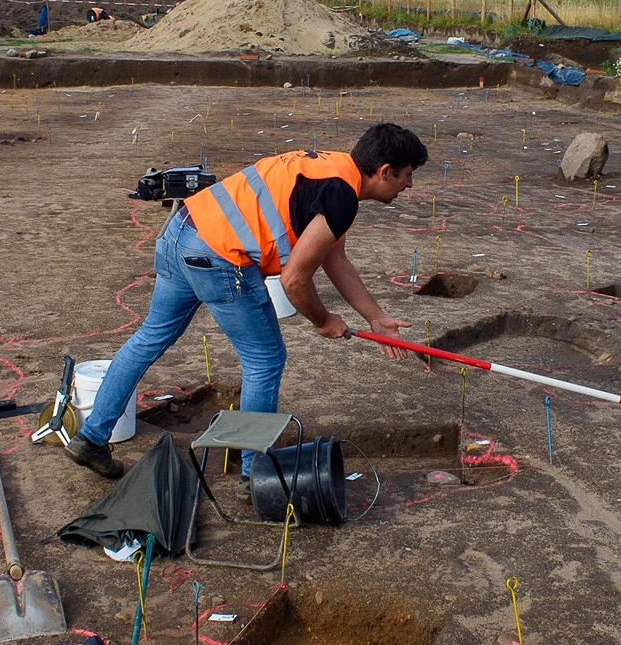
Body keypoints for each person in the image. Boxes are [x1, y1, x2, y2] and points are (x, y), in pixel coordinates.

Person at [65, 122, 429, 479]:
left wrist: (375, 317)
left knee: (149, 338)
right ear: (385, 171)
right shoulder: (341, 196)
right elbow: (294, 281)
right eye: (408, 175)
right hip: (219, 257)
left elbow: (336, 258)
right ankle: (255, 474)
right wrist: (322, 320)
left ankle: (92, 438)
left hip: (181, 231)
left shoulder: (333, 170)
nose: (409, 184)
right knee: (265, 359)